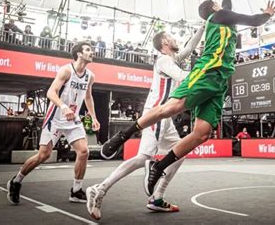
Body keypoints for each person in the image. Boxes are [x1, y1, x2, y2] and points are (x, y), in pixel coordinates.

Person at [100, 0, 275, 196]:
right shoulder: (219, 16)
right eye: (219, 3)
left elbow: (228, 6)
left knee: (202, 134)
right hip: (207, 71)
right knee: (173, 107)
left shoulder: (224, 17)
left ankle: (158, 167)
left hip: (220, 80)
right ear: (214, 8)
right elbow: (253, 20)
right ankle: (122, 136)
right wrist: (268, 14)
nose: (222, 5)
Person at [86, 22, 205, 220]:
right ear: (165, 42)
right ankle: (100, 189)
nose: (176, 39)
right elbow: (184, 77)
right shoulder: (164, 61)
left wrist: (203, 27)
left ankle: (157, 198)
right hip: (157, 114)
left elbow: (190, 47)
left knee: (180, 152)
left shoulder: (171, 59)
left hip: (166, 118)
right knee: (143, 158)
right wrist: (204, 70)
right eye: (172, 37)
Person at [7, 42, 100, 204]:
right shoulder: (66, 70)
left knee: (84, 151)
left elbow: (88, 97)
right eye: (88, 50)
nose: (92, 52)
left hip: (73, 119)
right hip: (56, 117)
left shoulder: (90, 76)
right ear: (79, 54)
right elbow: (51, 92)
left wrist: (93, 117)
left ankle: (76, 190)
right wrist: (63, 107)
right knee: (44, 155)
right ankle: (16, 181)